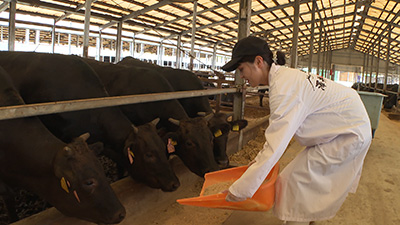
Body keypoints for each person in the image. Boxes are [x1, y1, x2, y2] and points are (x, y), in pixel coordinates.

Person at [221, 36, 372, 225]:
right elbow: (276, 139)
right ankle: (306, 220)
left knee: (293, 182)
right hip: (344, 126)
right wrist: (255, 167)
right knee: (298, 181)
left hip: (348, 134)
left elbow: (276, 145)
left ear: (258, 61)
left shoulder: (284, 89)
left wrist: (239, 190)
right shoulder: (284, 79)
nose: (241, 75)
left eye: (241, 69)